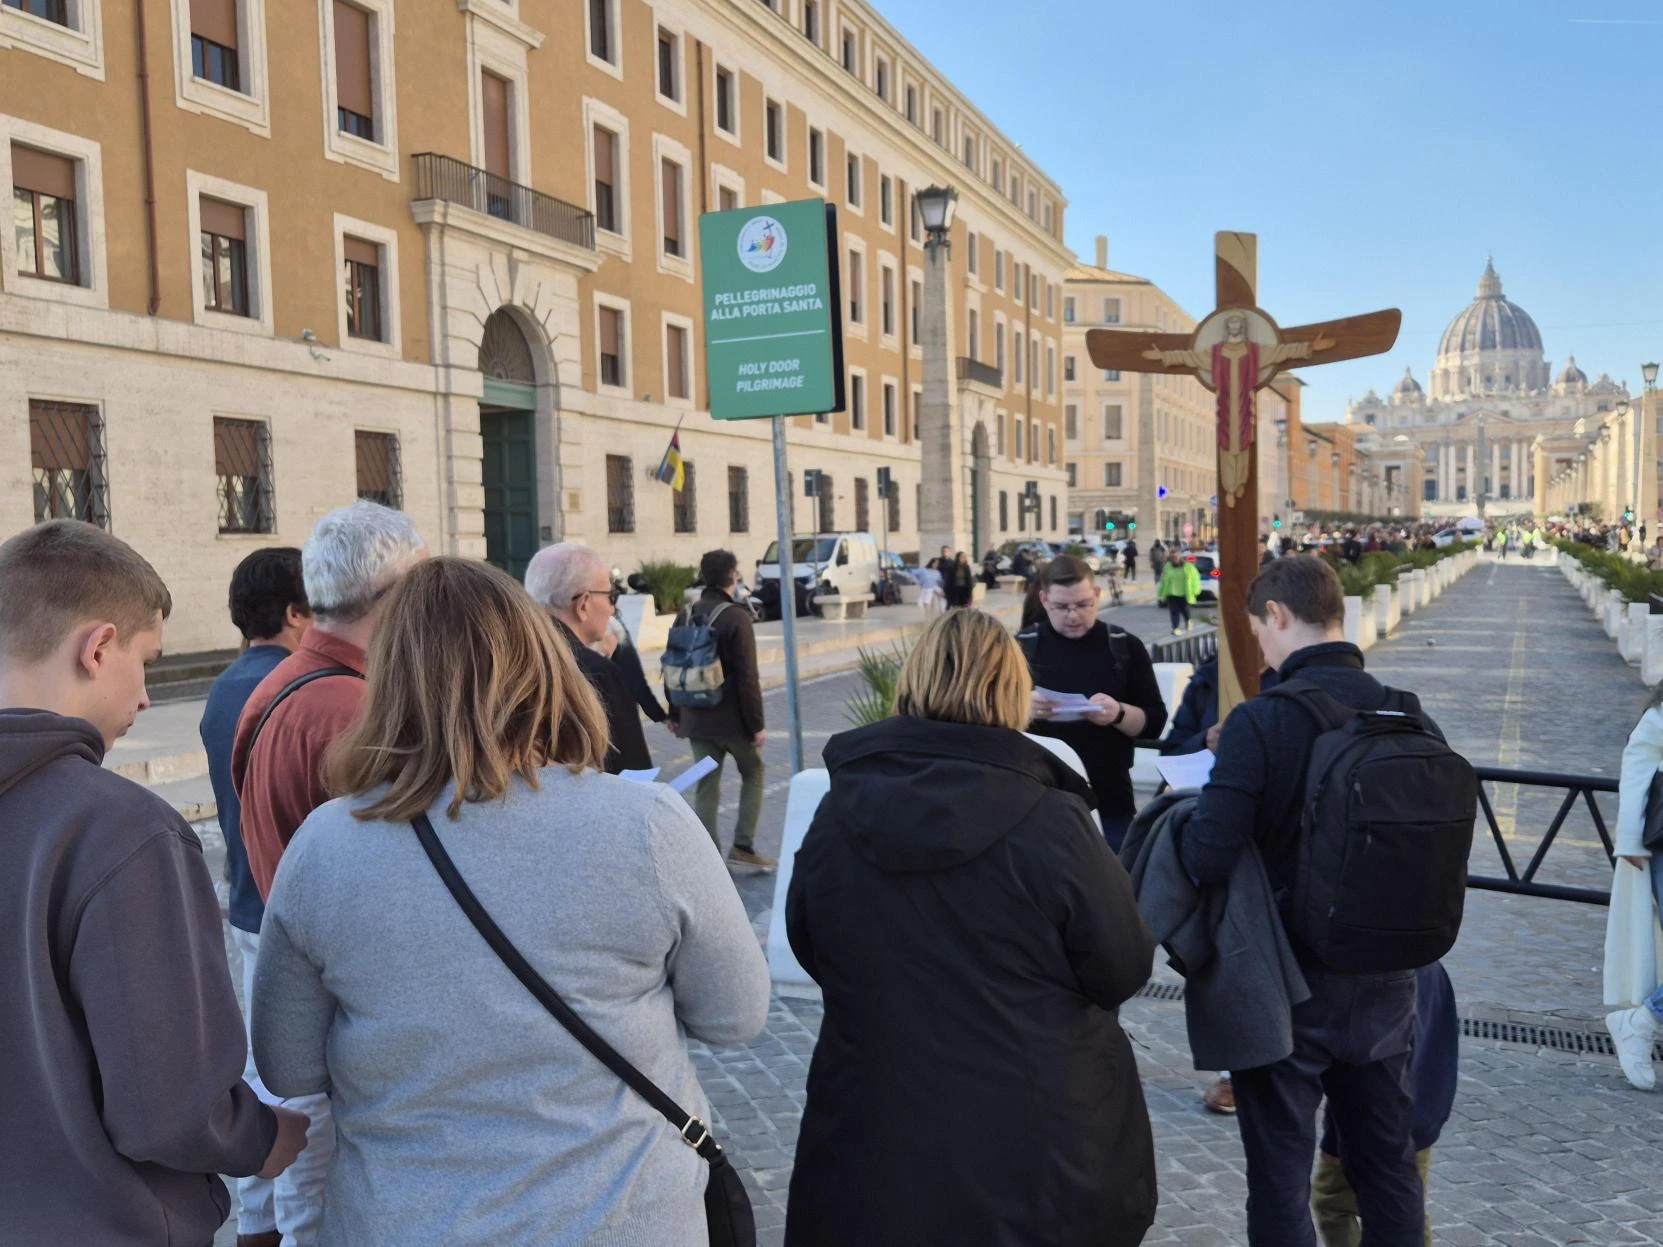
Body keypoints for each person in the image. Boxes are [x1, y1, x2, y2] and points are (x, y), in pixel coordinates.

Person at [253, 557, 770, 1247]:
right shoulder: (645, 825)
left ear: (389, 680)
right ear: (542, 667)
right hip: (621, 1219)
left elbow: (287, 1066)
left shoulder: (325, 847)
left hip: (406, 1221)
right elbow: (735, 1015)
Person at [784, 609, 1157, 1247]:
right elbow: (1121, 966)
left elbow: (810, 939)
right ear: (1013, 690)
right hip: (1035, 1137)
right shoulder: (1053, 818)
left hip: (876, 1123)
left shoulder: (840, 806)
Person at [0, 521, 306, 1246]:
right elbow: (166, 1105)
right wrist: (264, 1136)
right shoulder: (122, 831)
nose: (144, 698)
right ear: (98, 646)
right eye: (147, 660)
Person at [1179, 556, 1448, 1246]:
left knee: (1279, 1178)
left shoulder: (1261, 722)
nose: (1260, 651)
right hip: (1390, 981)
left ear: (1276, 615)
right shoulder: (1406, 712)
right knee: (1386, 1167)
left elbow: (1207, 855)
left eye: (1258, 633)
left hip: (1287, 986)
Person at [233, 500, 427, 1244]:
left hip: (304, 969)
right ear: (393, 595)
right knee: (321, 1193)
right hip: (342, 994)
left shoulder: (280, 682)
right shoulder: (351, 707)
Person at [199, 547, 314, 1247]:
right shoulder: (292, 686)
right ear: (296, 612)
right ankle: (281, 1226)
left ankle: (261, 1220)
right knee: (298, 1090)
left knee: (260, 1070)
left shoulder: (223, 686)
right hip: (284, 908)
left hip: (246, 898)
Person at [1020, 555, 1167, 849]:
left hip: (1110, 797)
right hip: (1038, 799)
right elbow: (991, 722)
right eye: (1061, 607)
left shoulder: (1124, 645)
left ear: (1097, 595)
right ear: (1044, 600)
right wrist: (1023, 707)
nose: (1073, 616)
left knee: (1116, 887)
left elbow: (1153, 723)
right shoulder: (1022, 646)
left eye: (1084, 605)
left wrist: (1118, 713)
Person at [1312, 962, 1458, 1247]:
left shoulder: (1378, 976)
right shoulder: (1433, 968)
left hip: (1377, 1120)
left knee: (1333, 1202)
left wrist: (1334, 1139)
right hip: (1422, 1117)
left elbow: (1359, 1068)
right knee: (1408, 1210)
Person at [668, 549, 775, 869]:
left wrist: (674, 715)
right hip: (732, 721)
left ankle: (708, 859)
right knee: (753, 772)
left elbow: (673, 667)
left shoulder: (684, 615)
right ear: (731, 576)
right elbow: (747, 677)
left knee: (707, 783)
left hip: (696, 718)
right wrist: (757, 724)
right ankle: (743, 846)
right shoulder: (736, 617)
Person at [525, 543, 652, 774]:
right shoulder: (597, 673)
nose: (613, 609)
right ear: (583, 605)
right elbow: (633, 776)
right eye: (610, 596)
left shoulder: (507, 662)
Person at [1603, 690, 1663, 1089]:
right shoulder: (1659, 717)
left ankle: (1642, 1022)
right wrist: (1629, 841)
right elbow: (1638, 766)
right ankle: (1641, 1023)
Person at [1157, 552, 1202, 635]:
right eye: (1173, 557)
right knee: (1174, 611)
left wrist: (1196, 590)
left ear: (1180, 558)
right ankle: (1175, 628)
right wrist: (1161, 591)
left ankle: (1188, 621)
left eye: (1176, 557)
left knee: (1184, 610)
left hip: (1184, 593)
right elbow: (1163, 580)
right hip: (1171, 593)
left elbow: (1195, 578)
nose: (1174, 559)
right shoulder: (1167, 567)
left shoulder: (1188, 567)